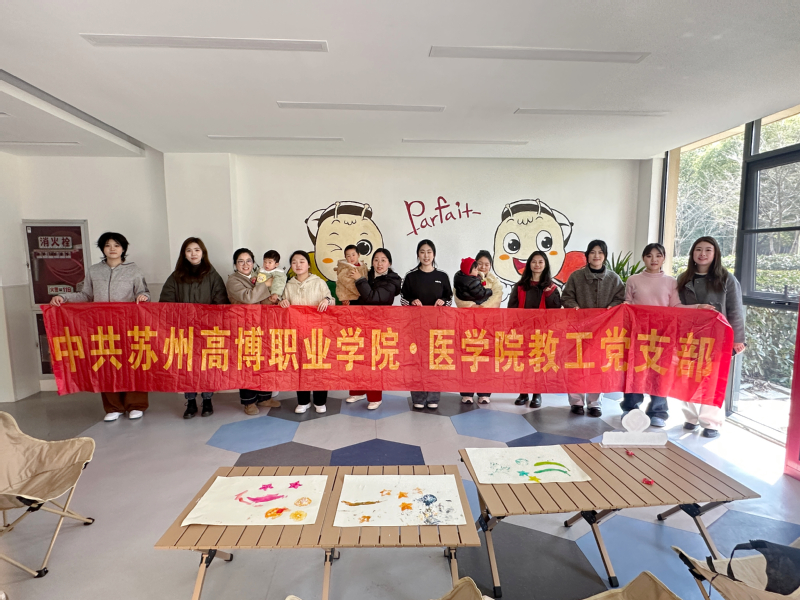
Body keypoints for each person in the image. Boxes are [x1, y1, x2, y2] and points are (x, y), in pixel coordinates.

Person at [50, 232, 150, 422]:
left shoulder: (134, 271)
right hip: (101, 327)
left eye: (116, 245)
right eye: (108, 245)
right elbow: (86, 295)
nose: (112, 249)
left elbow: (144, 292)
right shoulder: (94, 271)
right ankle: (113, 407)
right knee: (106, 364)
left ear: (123, 248)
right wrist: (63, 297)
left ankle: (136, 405)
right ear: (102, 248)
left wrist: (143, 297)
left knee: (133, 363)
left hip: (127, 325)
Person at [677, 236, 746, 438]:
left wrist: (737, 339)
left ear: (715, 254)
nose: (703, 254)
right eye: (698, 249)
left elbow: (735, 310)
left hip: (717, 338)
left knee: (712, 379)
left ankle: (711, 423)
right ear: (692, 253)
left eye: (708, 250)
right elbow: (677, 308)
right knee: (687, 377)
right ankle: (690, 417)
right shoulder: (683, 279)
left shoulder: (726, 279)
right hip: (689, 337)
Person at [160, 237, 228, 419]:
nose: (193, 254)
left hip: (207, 330)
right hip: (184, 331)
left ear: (203, 253)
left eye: (197, 250)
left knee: (206, 366)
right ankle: (190, 402)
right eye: (189, 250)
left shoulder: (212, 275)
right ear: (184, 254)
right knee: (186, 367)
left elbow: (221, 302)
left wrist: (208, 319)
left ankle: (207, 400)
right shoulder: (176, 276)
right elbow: (166, 302)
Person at [561, 239, 626, 417]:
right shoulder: (576, 277)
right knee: (576, 365)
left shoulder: (613, 278)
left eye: (600, 252)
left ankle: (594, 403)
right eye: (592, 252)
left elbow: (621, 298)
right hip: (578, 329)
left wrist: (612, 307)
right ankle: (576, 402)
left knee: (598, 366)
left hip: (603, 331)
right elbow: (566, 297)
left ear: (605, 256)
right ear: (587, 255)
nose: (596, 256)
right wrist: (574, 306)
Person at [621, 243, 683, 427]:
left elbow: (676, 306)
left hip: (663, 335)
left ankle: (658, 411)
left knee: (660, 372)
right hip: (637, 334)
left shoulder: (671, 282)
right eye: (649, 256)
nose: (654, 259)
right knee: (635, 370)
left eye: (658, 255)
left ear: (664, 258)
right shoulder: (633, 280)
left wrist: (698, 308)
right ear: (643, 258)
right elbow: (627, 303)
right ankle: (630, 409)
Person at [345, 248, 402, 409]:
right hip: (360, 323)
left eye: (383, 260)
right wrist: (349, 301)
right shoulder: (366, 274)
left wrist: (359, 280)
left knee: (374, 360)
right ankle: (358, 392)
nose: (379, 263)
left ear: (389, 263)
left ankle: (375, 397)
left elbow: (373, 298)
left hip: (379, 326)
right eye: (376, 260)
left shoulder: (393, 280)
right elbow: (359, 296)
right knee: (357, 357)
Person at [226, 247, 279, 415]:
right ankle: (249, 402)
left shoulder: (259, 276)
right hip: (245, 328)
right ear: (235, 265)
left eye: (248, 261)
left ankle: (265, 397)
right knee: (248, 364)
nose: (245, 264)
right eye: (240, 261)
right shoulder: (233, 280)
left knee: (265, 361)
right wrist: (266, 285)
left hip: (264, 326)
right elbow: (248, 298)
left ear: (253, 262)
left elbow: (264, 299)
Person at [280, 250, 334, 414]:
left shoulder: (319, 282)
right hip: (297, 333)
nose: (298, 265)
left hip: (317, 332)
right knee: (299, 367)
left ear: (308, 264)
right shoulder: (288, 285)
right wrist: (282, 302)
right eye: (294, 262)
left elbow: (331, 300)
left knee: (318, 366)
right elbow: (282, 304)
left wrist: (327, 300)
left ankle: (320, 401)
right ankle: (303, 401)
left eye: (302, 261)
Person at [401, 239, 453, 409]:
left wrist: (443, 302)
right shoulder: (411, 276)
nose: (426, 255)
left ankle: (433, 398)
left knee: (435, 361)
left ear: (434, 254)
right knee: (417, 361)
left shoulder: (442, 276)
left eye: (429, 252)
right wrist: (412, 302)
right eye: (422, 252)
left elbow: (449, 299)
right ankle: (418, 397)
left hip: (437, 327)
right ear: (418, 254)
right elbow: (403, 299)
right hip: (415, 327)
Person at [508, 251, 562, 408]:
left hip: (542, 331)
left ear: (545, 265)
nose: (537, 265)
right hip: (523, 330)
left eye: (540, 262)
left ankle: (537, 394)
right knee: (523, 362)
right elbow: (511, 308)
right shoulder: (520, 286)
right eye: (534, 262)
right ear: (529, 264)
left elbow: (556, 309)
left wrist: (549, 294)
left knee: (538, 362)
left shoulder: (551, 287)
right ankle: (523, 392)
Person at [458, 250, 503, 403]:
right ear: (475, 265)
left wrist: (482, 309)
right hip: (468, 323)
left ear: (490, 266)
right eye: (480, 264)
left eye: (487, 264)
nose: (483, 267)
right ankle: (467, 393)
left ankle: (484, 393)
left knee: (486, 359)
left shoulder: (494, 282)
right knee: (468, 357)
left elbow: (497, 297)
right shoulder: (463, 278)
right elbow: (459, 297)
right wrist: (473, 307)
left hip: (488, 325)